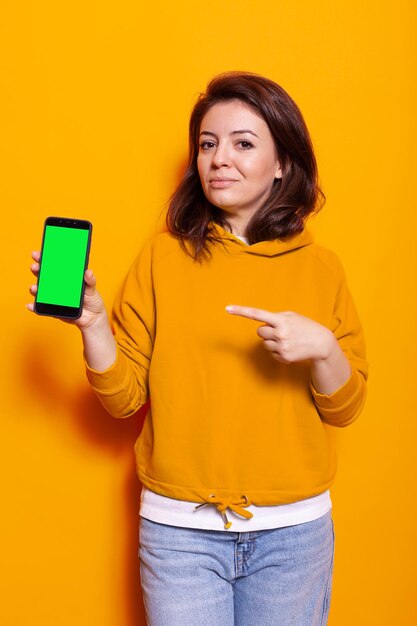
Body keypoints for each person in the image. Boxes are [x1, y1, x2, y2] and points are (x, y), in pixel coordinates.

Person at [28, 71, 368, 626]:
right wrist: (92, 325)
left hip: (294, 535)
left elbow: (346, 408)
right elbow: (122, 400)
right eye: (207, 144)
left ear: (283, 162)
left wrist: (324, 349)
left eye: (243, 143)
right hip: (179, 534)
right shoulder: (162, 259)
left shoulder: (321, 268)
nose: (218, 158)